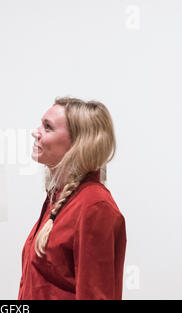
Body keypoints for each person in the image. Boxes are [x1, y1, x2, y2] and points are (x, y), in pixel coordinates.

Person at [18, 97, 127, 300]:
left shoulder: (95, 206)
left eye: (48, 127)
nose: (36, 132)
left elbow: (95, 295)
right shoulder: (60, 200)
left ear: (78, 143)